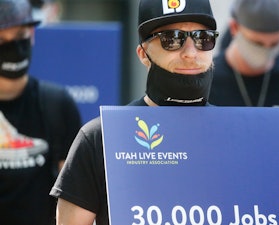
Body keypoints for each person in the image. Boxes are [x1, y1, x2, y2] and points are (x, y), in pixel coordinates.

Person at [49, 0, 219, 224]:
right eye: (172, 39)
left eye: (202, 38)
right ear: (142, 53)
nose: (190, 52)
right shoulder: (101, 138)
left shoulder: (238, 133)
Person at [0, 0, 82, 224]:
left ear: (32, 35)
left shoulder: (57, 104)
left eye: (20, 35)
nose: (13, 47)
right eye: (1, 40)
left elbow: (76, 196)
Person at [209, 0, 279, 108]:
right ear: (234, 27)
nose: (265, 51)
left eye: (275, 44)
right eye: (257, 43)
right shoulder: (209, 79)